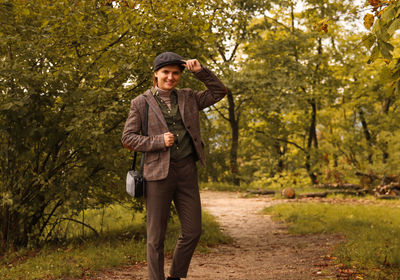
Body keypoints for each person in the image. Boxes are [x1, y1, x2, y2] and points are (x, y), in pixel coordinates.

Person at [121, 52, 227, 280]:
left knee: (193, 231)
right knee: (156, 237)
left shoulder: (189, 97)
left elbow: (219, 91)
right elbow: (128, 138)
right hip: (157, 175)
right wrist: (158, 141)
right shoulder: (140, 102)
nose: (170, 77)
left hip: (187, 170)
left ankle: (175, 276)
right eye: (166, 72)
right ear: (156, 74)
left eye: (175, 73)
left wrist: (201, 72)